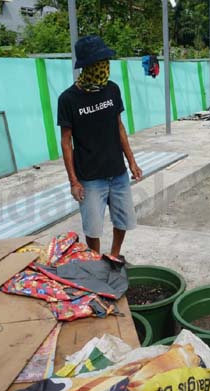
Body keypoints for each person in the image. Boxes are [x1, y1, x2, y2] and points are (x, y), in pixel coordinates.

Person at [57, 35, 142, 263]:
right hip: (89, 177)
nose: (104, 67)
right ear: (87, 67)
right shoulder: (68, 99)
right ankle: (96, 262)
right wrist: (73, 181)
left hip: (118, 172)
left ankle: (113, 257)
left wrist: (132, 161)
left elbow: (119, 127)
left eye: (105, 61)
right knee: (93, 228)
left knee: (123, 220)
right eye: (99, 63)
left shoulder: (112, 90)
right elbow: (66, 141)